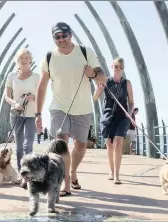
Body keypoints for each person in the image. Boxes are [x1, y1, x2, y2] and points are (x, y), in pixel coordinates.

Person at [35, 22, 107, 196]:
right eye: (57, 37)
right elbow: (42, 85)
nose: (61, 40)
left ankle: (73, 171)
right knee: (60, 145)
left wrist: (93, 74)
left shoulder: (84, 52)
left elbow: (102, 76)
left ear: (70, 35)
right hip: (59, 107)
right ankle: (65, 181)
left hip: (82, 107)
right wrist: (38, 113)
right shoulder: (49, 57)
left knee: (81, 146)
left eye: (64, 36)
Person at [93, 57, 135, 185]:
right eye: (116, 66)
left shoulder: (127, 83)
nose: (118, 69)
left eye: (121, 67)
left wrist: (130, 113)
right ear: (112, 67)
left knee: (118, 143)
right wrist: (99, 90)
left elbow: (132, 103)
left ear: (123, 69)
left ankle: (117, 175)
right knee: (109, 145)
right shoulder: (105, 81)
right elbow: (95, 97)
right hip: (108, 116)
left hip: (122, 116)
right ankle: (111, 171)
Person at [4, 48, 40, 188]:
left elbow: (41, 95)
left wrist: (34, 97)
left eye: (26, 58)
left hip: (31, 113)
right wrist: (15, 103)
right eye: (21, 58)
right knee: (19, 146)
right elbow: (6, 96)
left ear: (30, 60)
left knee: (28, 144)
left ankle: (28, 173)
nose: (24, 61)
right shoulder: (11, 76)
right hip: (16, 113)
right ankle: (21, 173)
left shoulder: (36, 77)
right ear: (17, 61)